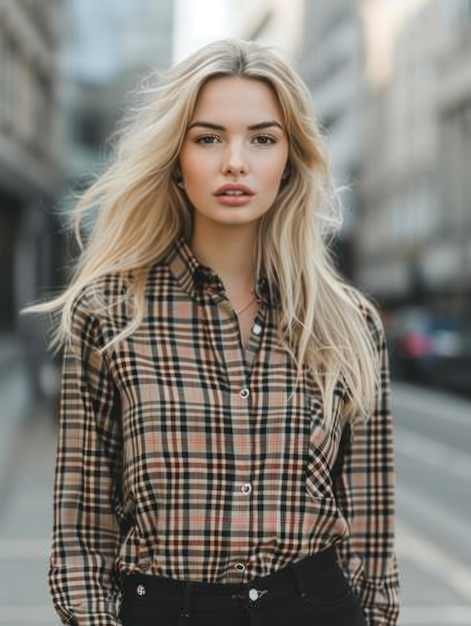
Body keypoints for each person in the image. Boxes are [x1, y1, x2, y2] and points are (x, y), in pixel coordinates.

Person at [29, 39, 399, 626]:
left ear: (290, 159)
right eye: (208, 138)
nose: (235, 161)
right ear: (176, 158)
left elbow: (373, 541)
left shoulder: (348, 323)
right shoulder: (109, 315)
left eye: (262, 138)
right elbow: (82, 531)